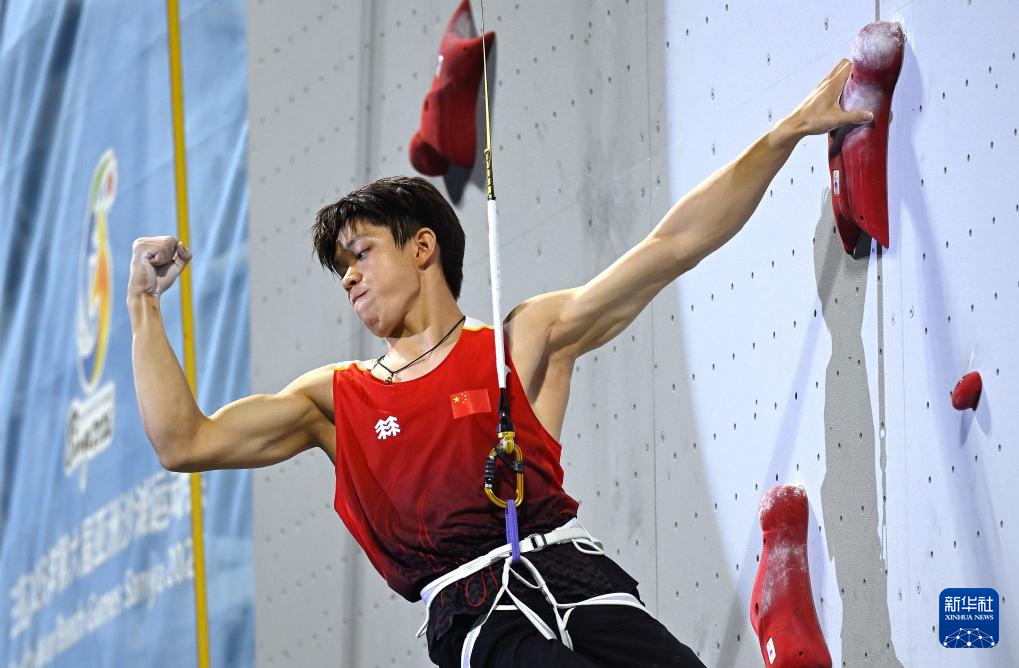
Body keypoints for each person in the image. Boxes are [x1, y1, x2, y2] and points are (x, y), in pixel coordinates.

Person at [129, 60, 872, 667]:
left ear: (422, 247)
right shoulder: (336, 398)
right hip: (476, 619)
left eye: (361, 253)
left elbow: (670, 248)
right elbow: (184, 441)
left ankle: (774, 619)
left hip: (576, 577)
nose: (348, 277)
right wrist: (142, 305)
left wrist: (787, 131)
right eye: (340, 269)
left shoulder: (518, 343)